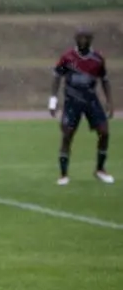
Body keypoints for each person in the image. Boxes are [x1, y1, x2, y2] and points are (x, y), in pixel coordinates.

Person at [49, 27, 115, 185]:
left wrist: (110, 101)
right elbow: (57, 76)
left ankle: (100, 169)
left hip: (91, 101)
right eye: (80, 37)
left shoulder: (98, 59)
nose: (83, 40)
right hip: (72, 101)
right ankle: (63, 174)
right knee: (67, 135)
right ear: (76, 38)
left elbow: (104, 80)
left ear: (91, 39)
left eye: (86, 38)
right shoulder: (67, 57)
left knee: (104, 133)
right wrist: (53, 100)